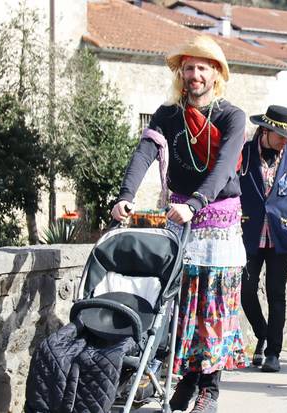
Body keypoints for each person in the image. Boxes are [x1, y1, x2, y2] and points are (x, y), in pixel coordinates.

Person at [111, 35, 246, 413]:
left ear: (216, 73)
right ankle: (186, 380)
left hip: (217, 220)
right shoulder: (167, 115)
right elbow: (145, 153)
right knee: (183, 306)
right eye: (189, 67)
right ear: (181, 74)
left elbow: (223, 168)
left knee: (214, 305)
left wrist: (198, 203)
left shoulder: (231, 116)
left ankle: (210, 389)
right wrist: (125, 196)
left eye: (203, 67)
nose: (195, 74)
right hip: (179, 219)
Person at [239, 105, 287, 373]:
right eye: (281, 135)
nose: (285, 140)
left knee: (277, 295)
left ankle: (273, 352)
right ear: (266, 130)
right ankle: (262, 333)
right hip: (249, 234)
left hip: (281, 236)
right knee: (246, 292)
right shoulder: (244, 154)